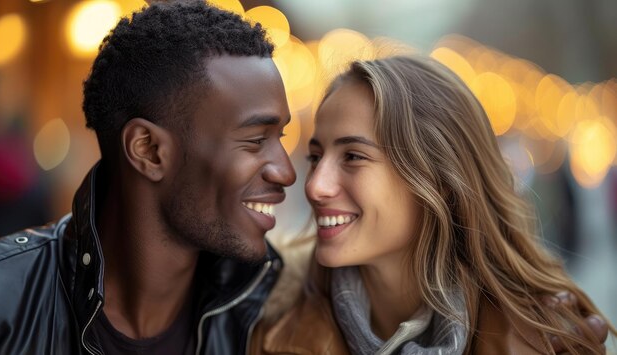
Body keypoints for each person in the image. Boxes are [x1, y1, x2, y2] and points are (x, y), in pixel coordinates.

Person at [252, 55, 615, 354]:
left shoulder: (544, 340)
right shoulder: (260, 317)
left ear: (439, 181)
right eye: (315, 157)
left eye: (353, 156)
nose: (315, 186)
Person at [0, 1, 295, 354]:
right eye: (256, 141)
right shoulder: (1, 308)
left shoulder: (275, 317)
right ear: (148, 150)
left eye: (280, 139)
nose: (287, 172)